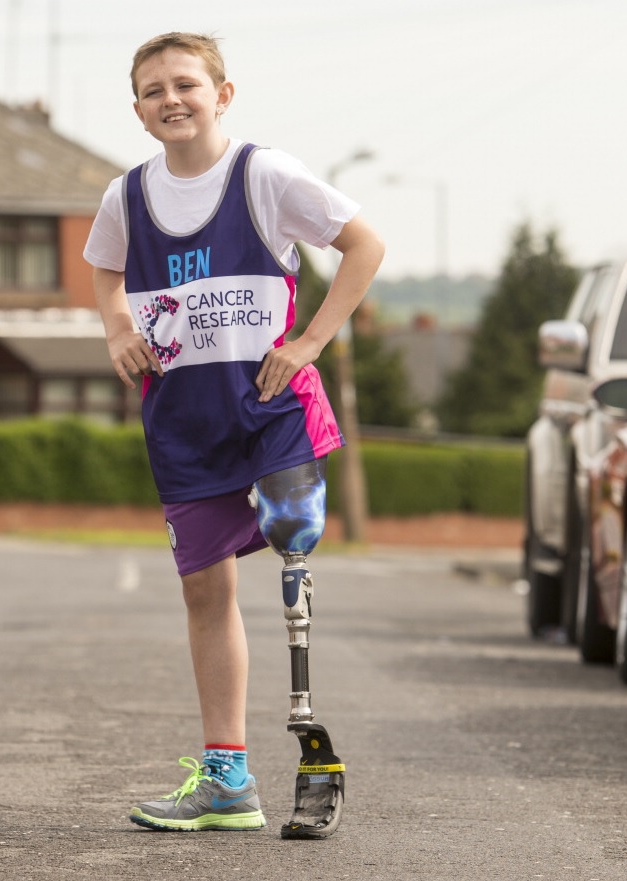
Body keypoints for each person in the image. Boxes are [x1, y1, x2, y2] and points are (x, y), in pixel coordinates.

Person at [83, 31, 384, 832]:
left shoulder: (264, 174)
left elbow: (363, 243)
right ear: (140, 111)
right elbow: (105, 270)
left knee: (294, 551)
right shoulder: (127, 196)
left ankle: (302, 733)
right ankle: (227, 780)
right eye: (153, 90)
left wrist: (310, 341)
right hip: (183, 424)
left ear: (223, 92)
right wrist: (117, 327)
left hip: (270, 409)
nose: (170, 99)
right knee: (204, 591)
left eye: (186, 83)